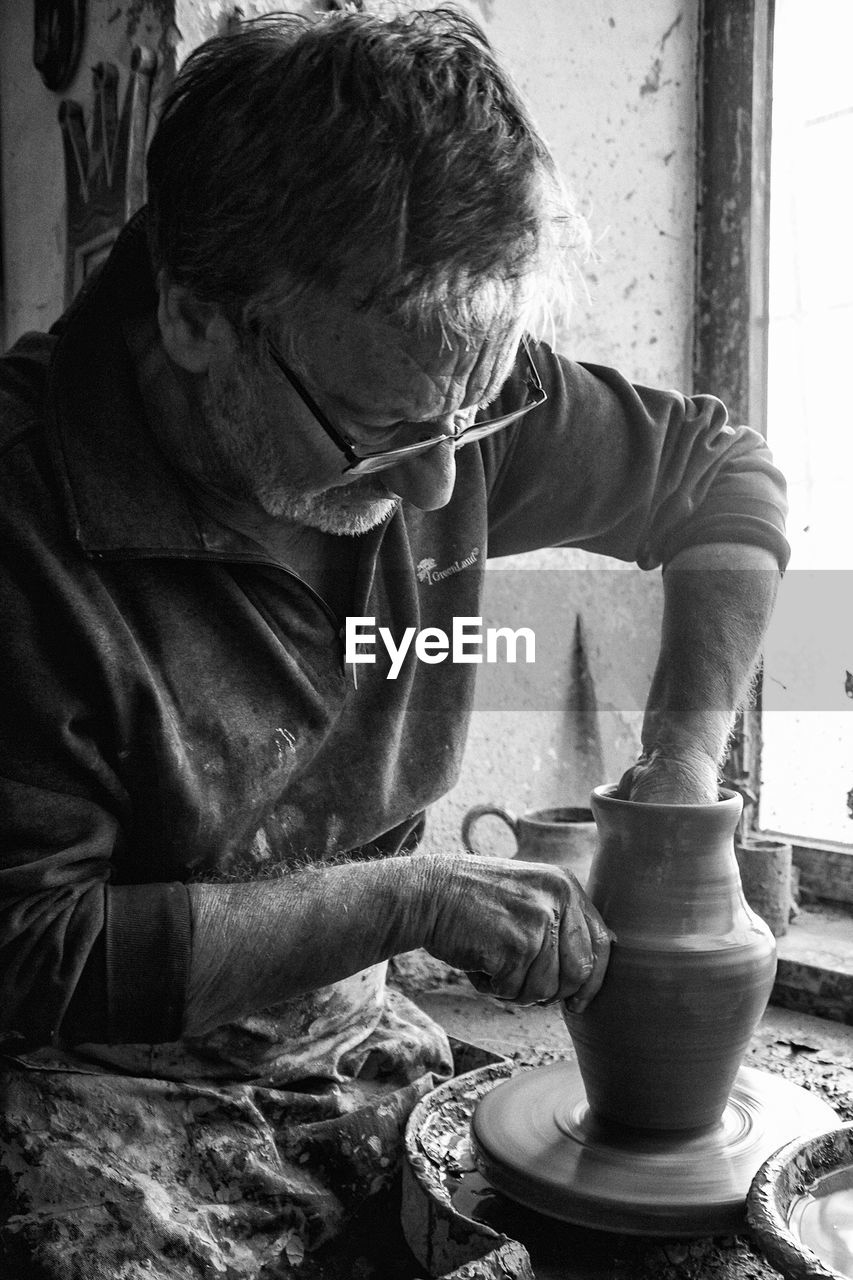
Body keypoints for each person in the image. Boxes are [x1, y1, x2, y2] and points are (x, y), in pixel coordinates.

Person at [0, 9, 786, 1278]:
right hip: (86, 1082)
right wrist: (408, 897)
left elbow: (726, 485)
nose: (436, 494)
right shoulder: (27, 518)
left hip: (353, 1040)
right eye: (382, 437)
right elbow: (31, 953)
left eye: (462, 429)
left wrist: (688, 763)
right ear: (199, 317)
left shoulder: (438, 384)